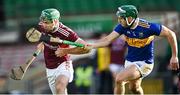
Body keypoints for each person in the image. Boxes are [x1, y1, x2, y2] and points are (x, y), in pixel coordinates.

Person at [86, 5, 179, 94]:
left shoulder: (147, 27)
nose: (119, 21)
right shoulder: (122, 27)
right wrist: (92, 45)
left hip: (144, 63)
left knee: (119, 79)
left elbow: (171, 34)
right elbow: (107, 40)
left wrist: (174, 56)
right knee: (134, 88)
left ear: (130, 18)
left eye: (121, 18)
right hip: (129, 62)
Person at [35, 8, 90, 94]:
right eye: (42, 22)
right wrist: (42, 43)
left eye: (46, 22)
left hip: (63, 64)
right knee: (59, 92)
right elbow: (45, 37)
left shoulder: (66, 33)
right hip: (49, 67)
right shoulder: (42, 27)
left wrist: (65, 51)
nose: (43, 25)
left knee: (60, 86)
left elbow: (86, 49)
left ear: (55, 21)